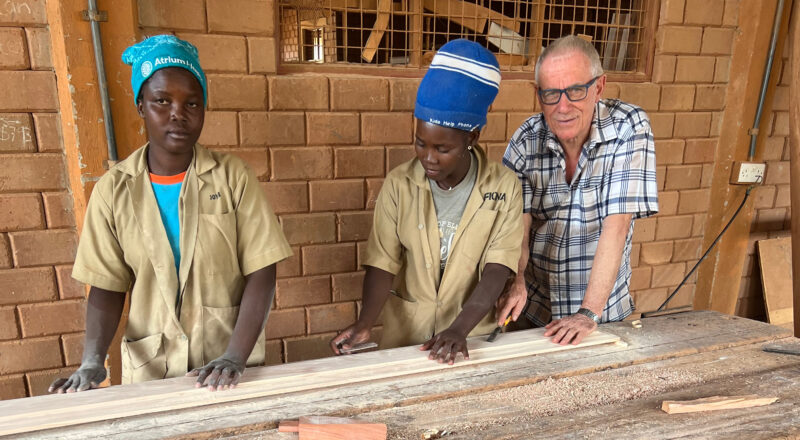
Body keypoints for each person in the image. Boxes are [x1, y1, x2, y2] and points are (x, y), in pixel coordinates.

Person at [49, 35, 292, 393]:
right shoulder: (113, 191)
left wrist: (235, 356)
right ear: (140, 105)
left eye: (192, 103)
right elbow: (106, 285)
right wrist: (91, 361)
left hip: (227, 367)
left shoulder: (234, 178)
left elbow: (263, 270)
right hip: (151, 373)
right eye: (162, 101)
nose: (178, 113)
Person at [330, 39, 523, 364]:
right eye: (421, 144)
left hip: (470, 341)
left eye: (442, 149)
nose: (428, 158)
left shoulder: (503, 187)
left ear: (471, 137)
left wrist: (459, 329)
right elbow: (382, 263)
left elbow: (497, 268)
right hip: (407, 340)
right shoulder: (399, 185)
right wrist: (365, 324)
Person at [498, 35, 658, 345]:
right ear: (537, 94)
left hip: (602, 318)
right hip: (536, 311)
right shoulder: (526, 139)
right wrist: (515, 279)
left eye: (575, 91)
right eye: (551, 94)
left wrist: (588, 313)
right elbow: (517, 225)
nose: (563, 107)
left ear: (599, 87)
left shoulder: (629, 128)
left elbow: (617, 225)